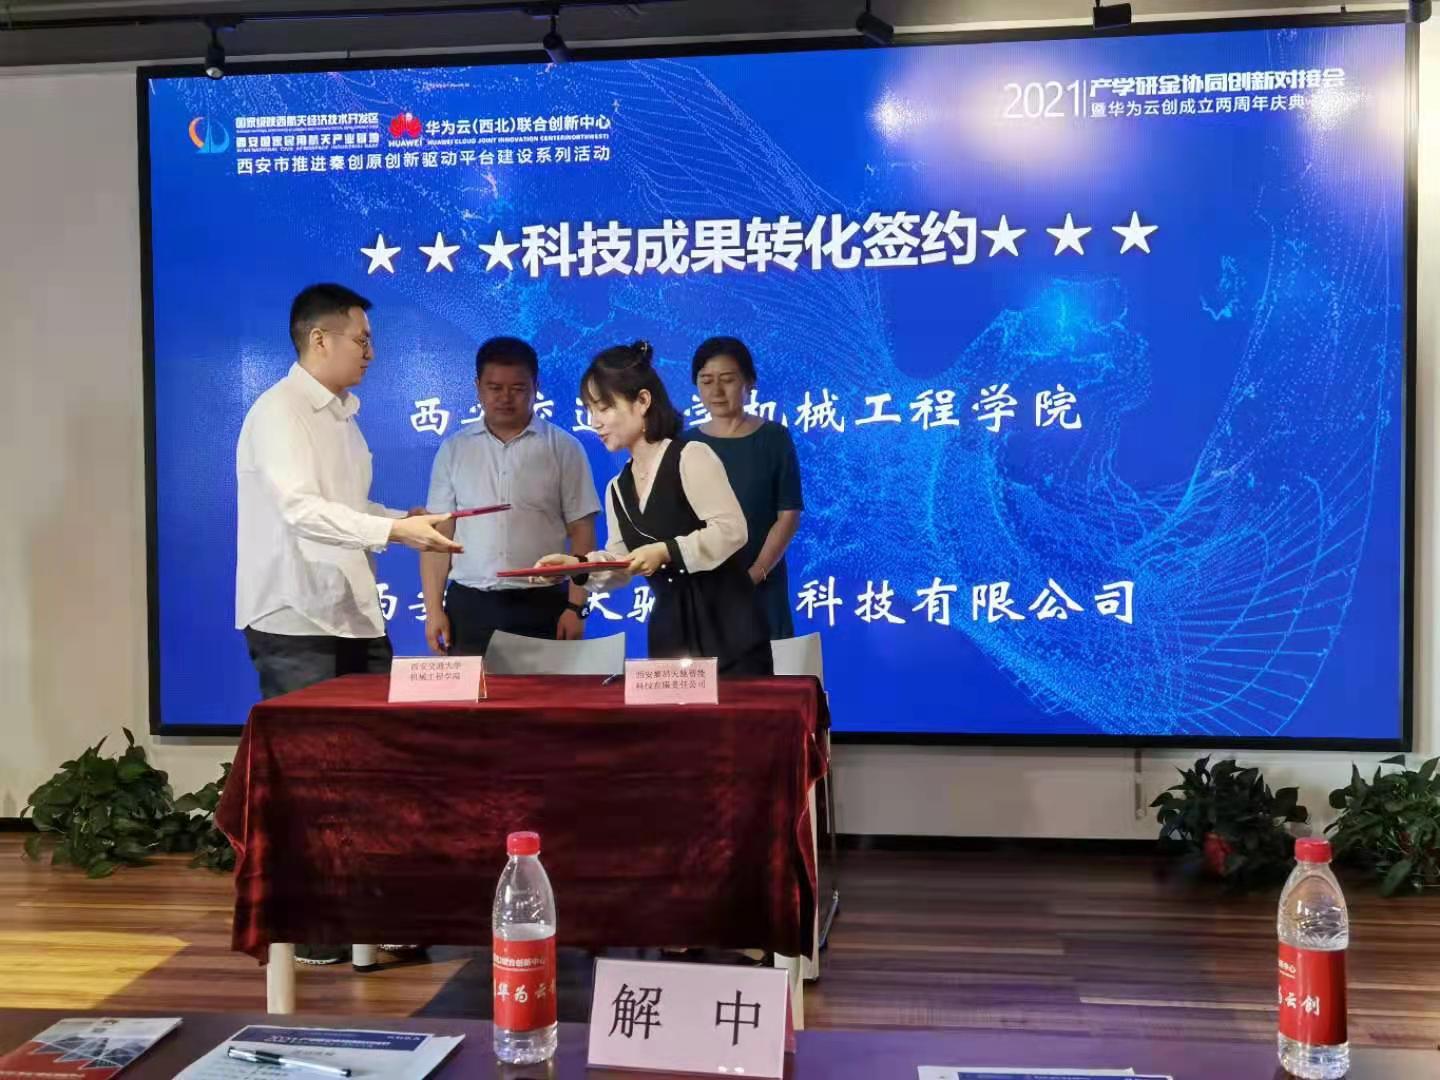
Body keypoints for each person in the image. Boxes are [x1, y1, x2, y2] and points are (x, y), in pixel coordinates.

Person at [235, 282, 459, 965]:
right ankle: (314, 930)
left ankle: (369, 916)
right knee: (312, 780)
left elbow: (349, 509)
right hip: (296, 615)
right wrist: (393, 531)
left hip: (353, 613)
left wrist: (403, 520)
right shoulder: (278, 413)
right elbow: (301, 510)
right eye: (361, 339)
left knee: (373, 771)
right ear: (319, 339)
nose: (371, 352)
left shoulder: (344, 419)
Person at [536, 342, 772, 675]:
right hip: (670, 631)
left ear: (643, 401)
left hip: (730, 629)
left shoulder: (690, 456)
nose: (594, 422)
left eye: (604, 408)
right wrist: (577, 566)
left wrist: (665, 551)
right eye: (590, 410)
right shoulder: (617, 488)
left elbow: (731, 531)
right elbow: (620, 563)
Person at [421, 337, 600, 655]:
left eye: (518, 388)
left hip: (543, 604)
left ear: (536, 388)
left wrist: (575, 607)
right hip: (470, 606)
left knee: (548, 689)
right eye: (495, 388)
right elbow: (439, 536)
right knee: (472, 690)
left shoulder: (564, 449)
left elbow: (582, 533)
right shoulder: (454, 450)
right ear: (478, 387)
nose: (505, 398)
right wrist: (434, 610)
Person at [686, 336, 804, 639]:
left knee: (768, 667)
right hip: (703, 592)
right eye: (706, 380)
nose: (716, 391)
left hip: (762, 586)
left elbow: (788, 515)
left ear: (749, 382)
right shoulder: (684, 444)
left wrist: (755, 574)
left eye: (727, 379)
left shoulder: (774, 438)